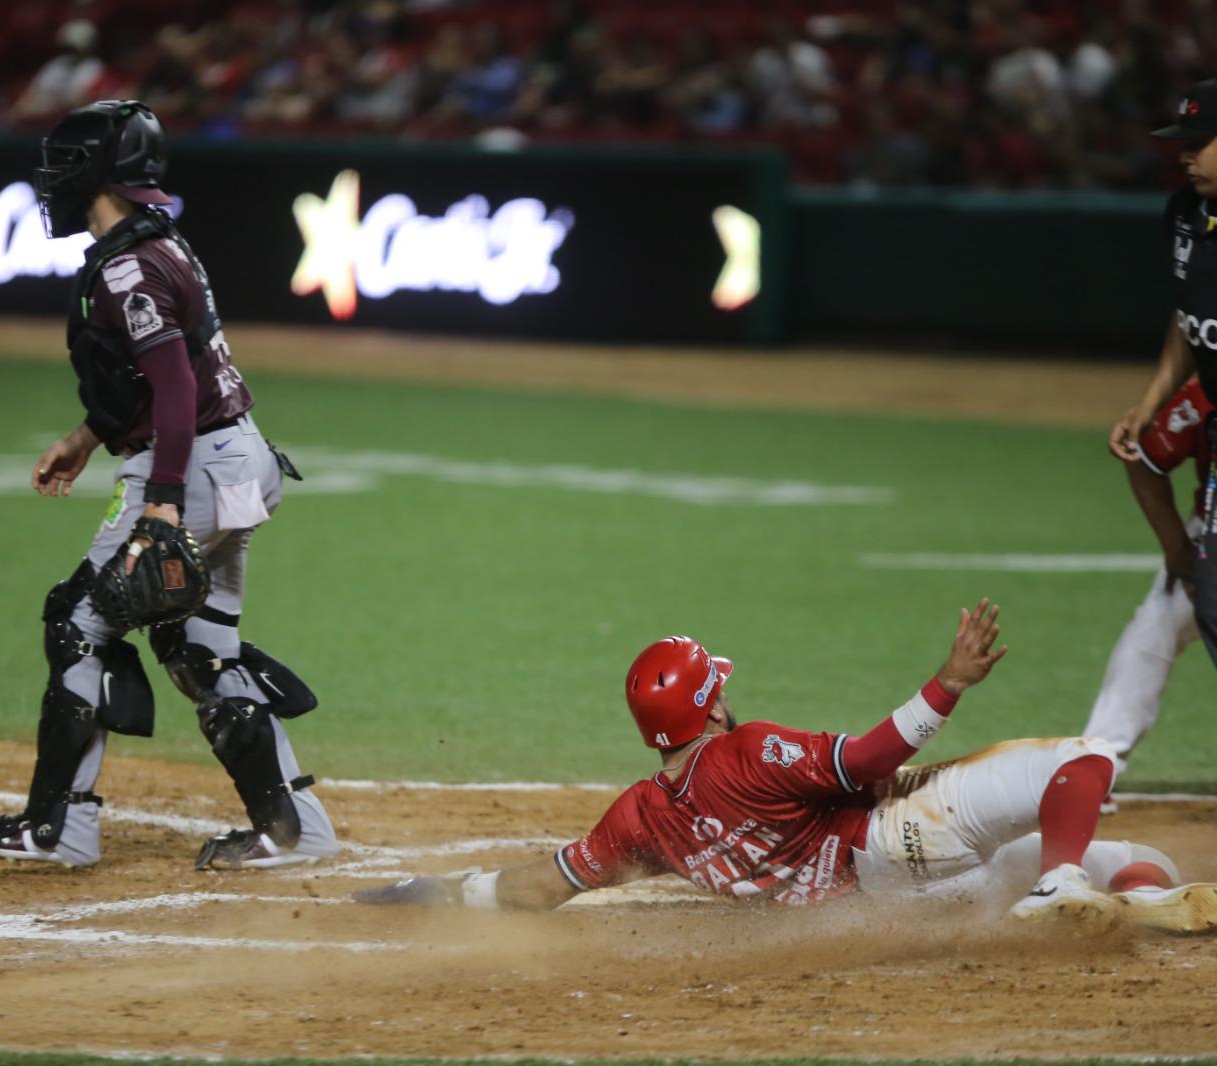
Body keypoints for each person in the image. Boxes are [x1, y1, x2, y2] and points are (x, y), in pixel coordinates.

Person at [0, 100, 338, 871]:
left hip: (191, 464)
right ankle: (294, 830)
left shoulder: (127, 263)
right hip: (239, 459)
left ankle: (59, 827)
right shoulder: (159, 244)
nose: (52, 179)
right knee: (199, 642)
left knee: (78, 623)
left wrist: (160, 499)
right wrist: (84, 438)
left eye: (64, 164)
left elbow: (170, 389)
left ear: (97, 172)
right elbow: (157, 379)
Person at [355, 602, 1216, 933]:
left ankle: (1125, 890)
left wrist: (442, 890)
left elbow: (545, 886)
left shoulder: (637, 819)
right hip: (895, 847)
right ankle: (1065, 880)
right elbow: (873, 757)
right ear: (711, 706)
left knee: (1132, 864)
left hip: (882, 909)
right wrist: (947, 684)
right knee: (1081, 764)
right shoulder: (746, 748)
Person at [1109, 79, 1217, 668]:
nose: (1186, 153)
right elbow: (1189, 320)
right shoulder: (1185, 214)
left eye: (1202, 141)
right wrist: (1148, 405)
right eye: (1184, 139)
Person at [1085, 377, 1212, 805]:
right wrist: (1178, 548)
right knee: (1154, 630)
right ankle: (1095, 765)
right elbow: (1144, 456)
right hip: (1209, 535)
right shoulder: (1204, 391)